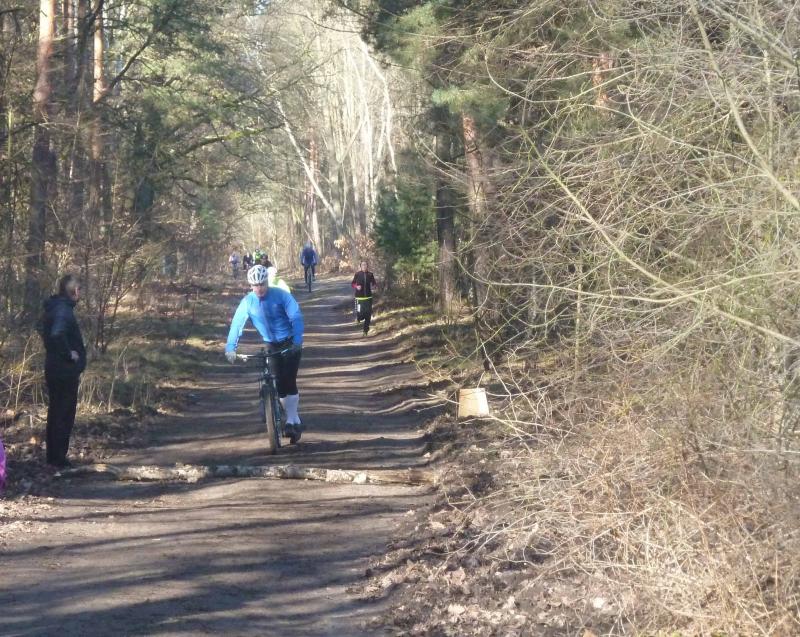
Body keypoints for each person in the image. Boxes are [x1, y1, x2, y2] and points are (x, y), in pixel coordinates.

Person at [225, 265, 305, 438]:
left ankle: (292, 420)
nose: (259, 288)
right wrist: (230, 348)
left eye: (262, 284)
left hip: (290, 342)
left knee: (289, 380)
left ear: (267, 282)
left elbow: (296, 316)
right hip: (271, 344)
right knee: (279, 383)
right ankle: (291, 418)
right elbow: (237, 325)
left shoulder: (281, 295)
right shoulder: (248, 302)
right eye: (255, 285)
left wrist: (297, 341)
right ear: (250, 285)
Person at [40, 274, 87, 468]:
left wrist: (53, 349)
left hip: (54, 367)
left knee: (56, 412)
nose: (81, 293)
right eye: (80, 289)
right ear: (75, 291)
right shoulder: (63, 310)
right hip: (64, 371)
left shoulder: (53, 307)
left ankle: (54, 457)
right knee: (64, 413)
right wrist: (69, 354)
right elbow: (57, 333)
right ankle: (59, 458)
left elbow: (41, 328)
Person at [351, 260, 377, 337]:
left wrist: (374, 286)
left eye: (365, 265)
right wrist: (357, 286)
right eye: (363, 265)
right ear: (360, 266)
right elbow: (352, 284)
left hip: (368, 298)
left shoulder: (370, 274)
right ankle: (358, 318)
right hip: (359, 298)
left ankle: (365, 331)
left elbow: (374, 283)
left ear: (367, 266)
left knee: (368, 315)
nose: (364, 266)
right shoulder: (357, 274)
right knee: (360, 313)